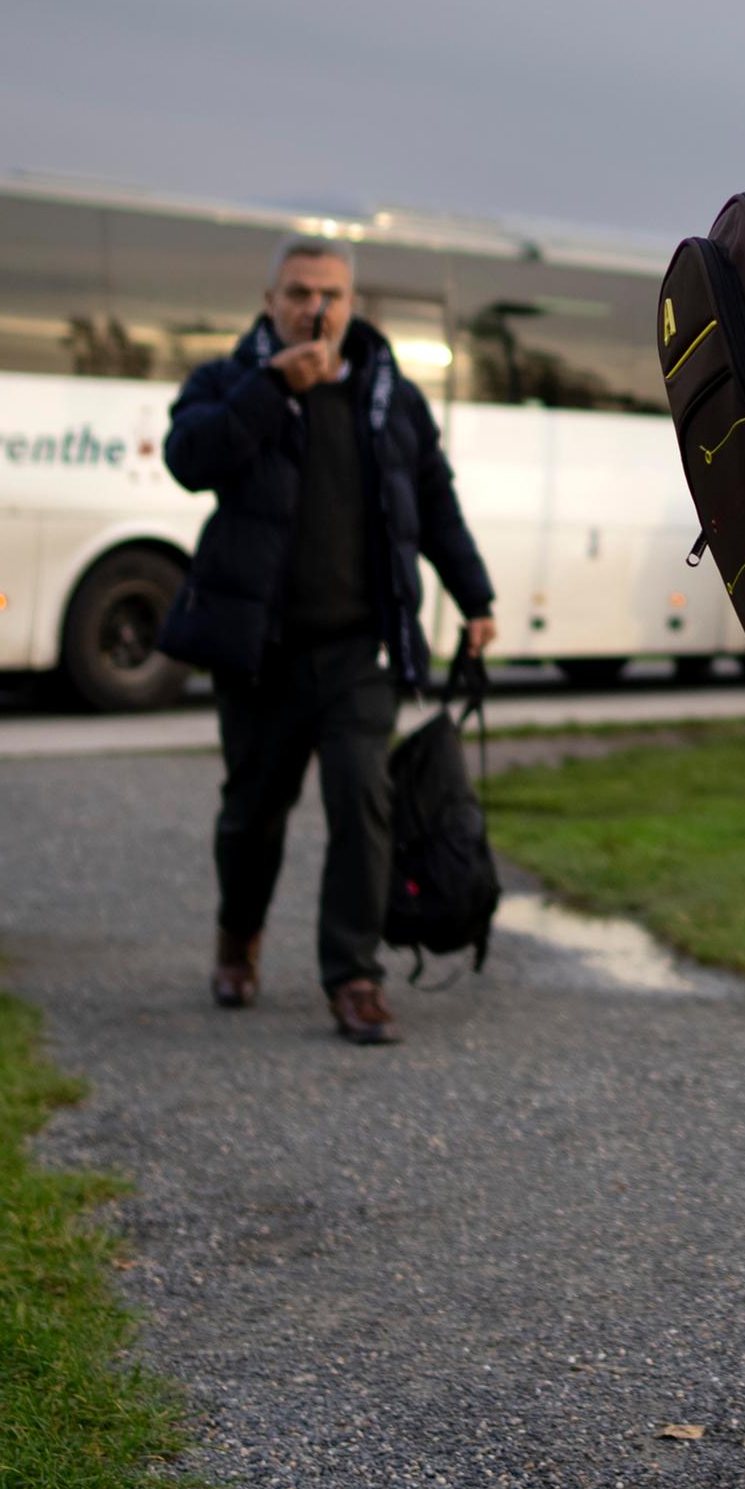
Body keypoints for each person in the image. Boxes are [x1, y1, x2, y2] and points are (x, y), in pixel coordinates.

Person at [159, 237, 497, 1047]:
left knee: (363, 803)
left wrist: (474, 595)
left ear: (352, 304)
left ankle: (353, 976)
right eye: (302, 292)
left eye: (334, 295)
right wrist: (272, 388)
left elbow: (434, 503)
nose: (319, 308)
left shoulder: (391, 395)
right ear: (271, 298)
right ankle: (237, 941)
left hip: (357, 650)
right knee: (251, 817)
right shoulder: (228, 380)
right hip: (261, 649)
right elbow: (188, 459)